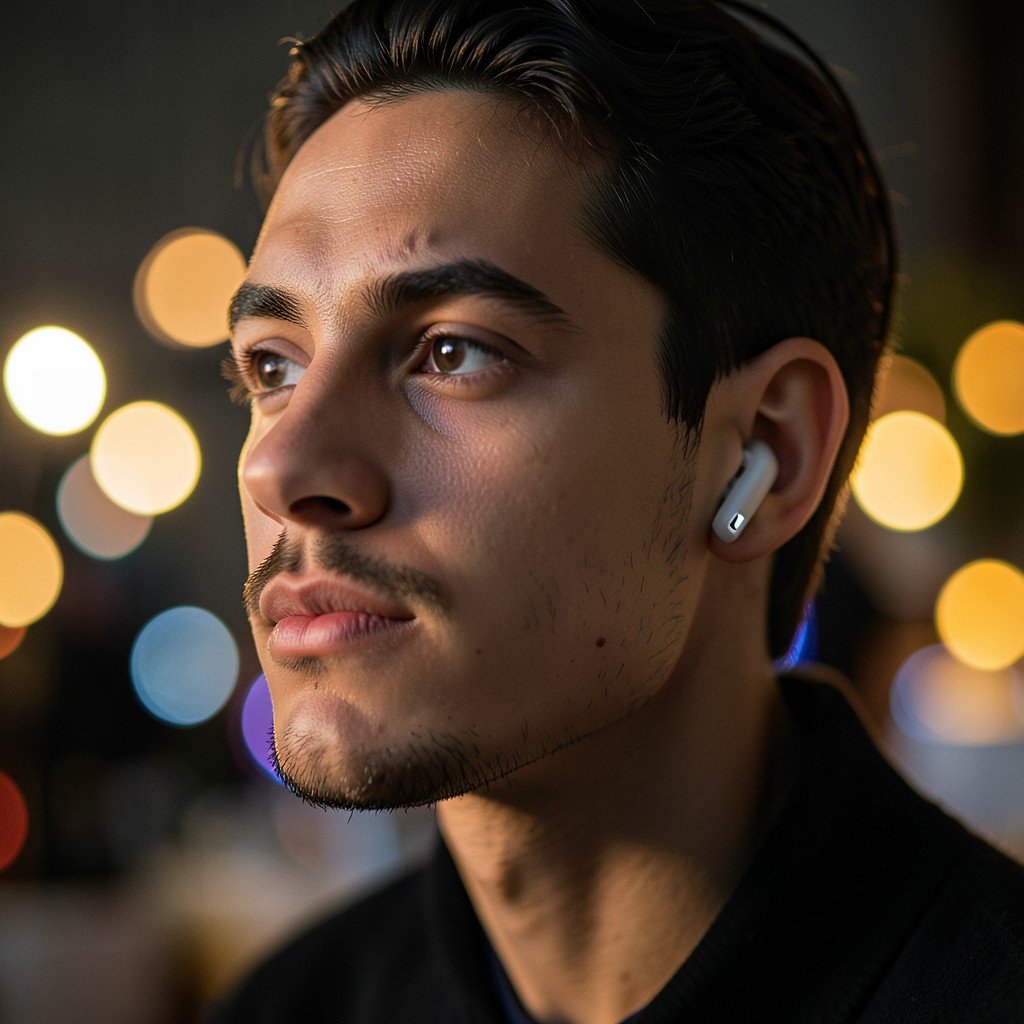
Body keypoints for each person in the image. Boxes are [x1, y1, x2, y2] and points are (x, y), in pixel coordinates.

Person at [207, 1, 1024, 1021]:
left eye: (452, 352)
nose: (281, 463)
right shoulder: (283, 1008)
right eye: (270, 366)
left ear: (767, 447)